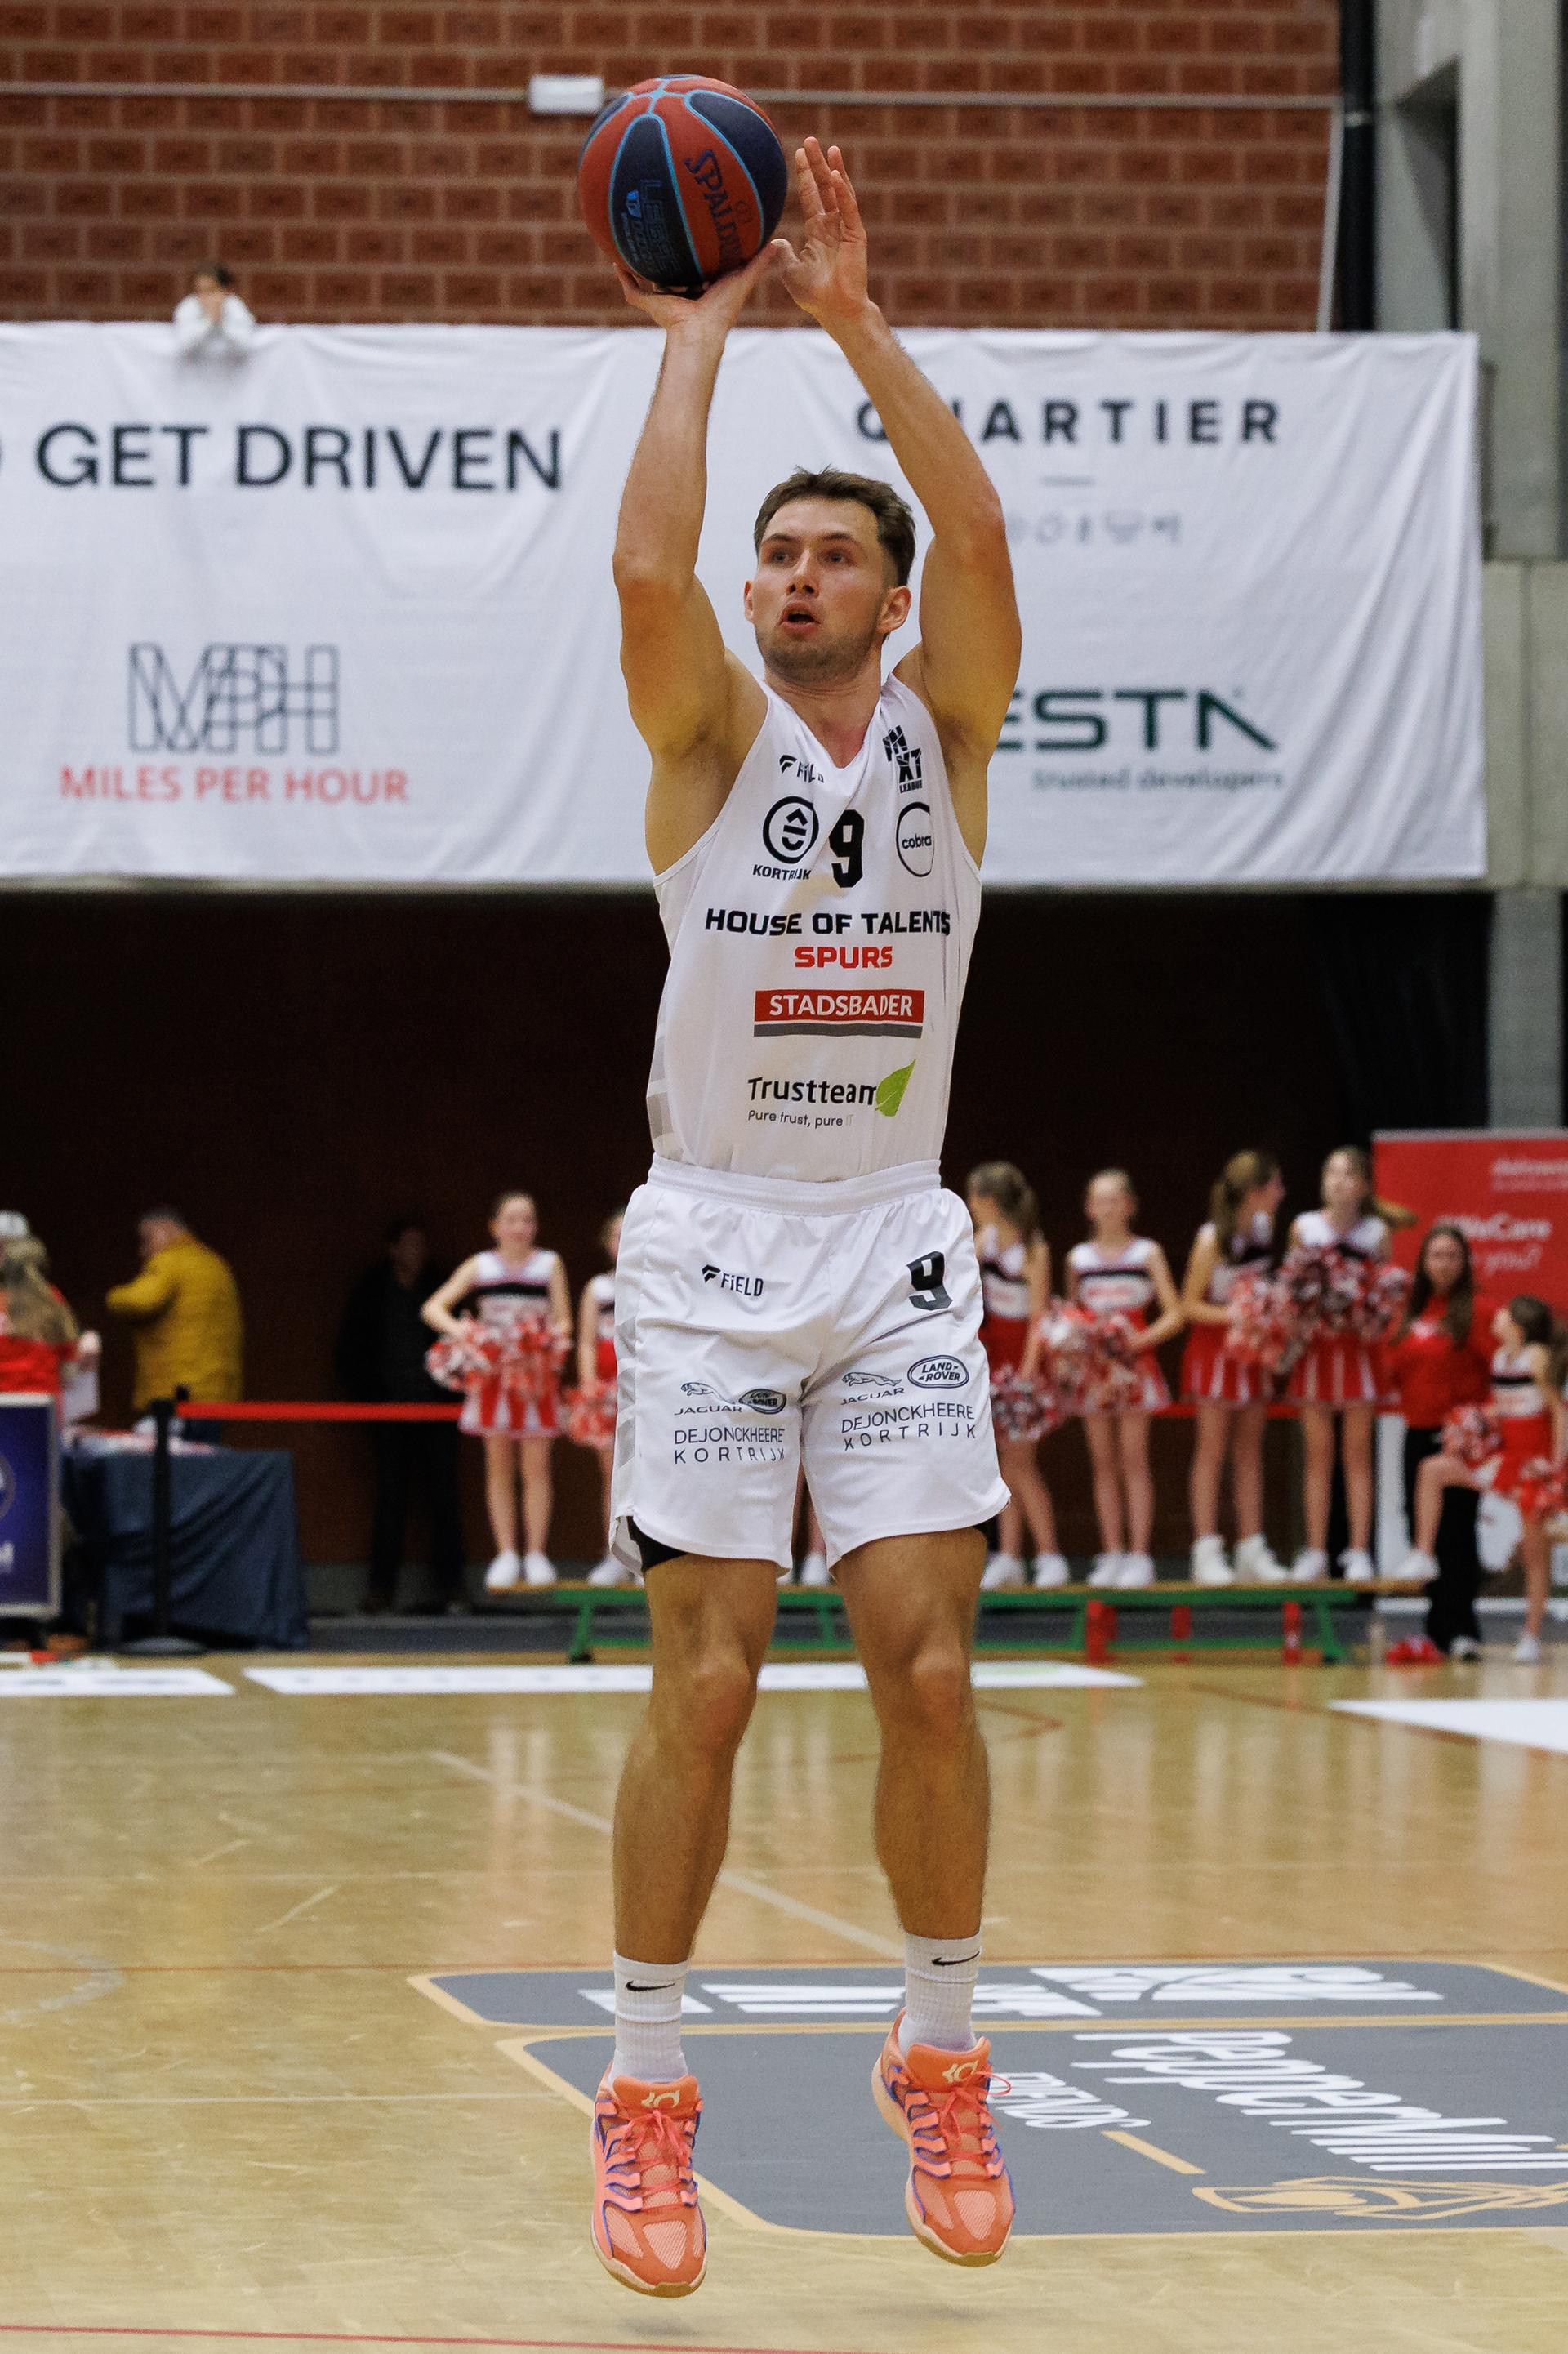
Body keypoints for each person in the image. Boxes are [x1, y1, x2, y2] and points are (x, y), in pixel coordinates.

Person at [591, 138, 1020, 2295]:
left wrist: (849, 320)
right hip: (714, 1246)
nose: (790, 578)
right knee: (719, 1673)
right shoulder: (704, 742)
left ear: (888, 592)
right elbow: (647, 578)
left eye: (832, 554)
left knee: (929, 1671)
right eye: (778, 557)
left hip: (896, 1241)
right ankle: (647, 2091)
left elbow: (991, 529)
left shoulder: (950, 734)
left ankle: (939, 2047)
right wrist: (699, 337)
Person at [1400, 1295, 1567, 1663]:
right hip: (1505, 1457)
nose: (1498, 1315)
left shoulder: (1535, 1357)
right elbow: (1505, 1403)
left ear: (1518, 1325)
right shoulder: (1499, 1359)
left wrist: (1555, 1468)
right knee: (1433, 1470)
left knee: (1534, 1554)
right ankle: (1424, 1553)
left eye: (1505, 1312)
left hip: (1533, 1464)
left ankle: (1532, 1635)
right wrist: (1473, 1421)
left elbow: (1558, 1412)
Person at [421, 1193, 570, 1593]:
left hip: (535, 1380)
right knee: (498, 1468)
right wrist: (468, 1334)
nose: (520, 1227)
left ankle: (536, 1554)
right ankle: (506, 1553)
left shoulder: (549, 1264)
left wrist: (541, 1346)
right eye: (512, 1219)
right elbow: (434, 1308)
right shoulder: (481, 1265)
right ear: (495, 1226)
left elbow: (564, 1321)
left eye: (528, 1220)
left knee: (537, 1469)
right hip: (492, 1381)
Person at [336, 1217, 466, 1615]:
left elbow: (463, 1346)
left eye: (421, 1244)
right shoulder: (373, 1290)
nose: (416, 1252)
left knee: (444, 1500)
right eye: (408, 1244)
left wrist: (453, 1396)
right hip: (389, 1411)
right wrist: (371, 1398)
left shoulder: (440, 1288)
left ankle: (454, 1590)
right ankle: (380, 1591)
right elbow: (351, 1350)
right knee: (389, 1503)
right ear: (393, 1249)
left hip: (437, 1411)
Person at [1281, 1146, 1396, 1584]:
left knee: (1357, 1455)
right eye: (1331, 1172)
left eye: (1348, 1174)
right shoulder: (1304, 1227)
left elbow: (1386, 1295)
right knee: (1317, 1454)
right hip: (1316, 1351)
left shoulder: (1375, 1232)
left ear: (1363, 1186)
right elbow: (1291, 1289)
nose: (1337, 1181)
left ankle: (1359, 1550)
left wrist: (1365, 1318)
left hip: (1357, 1353)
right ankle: (1315, 1550)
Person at [1067, 1169, 1184, 1589]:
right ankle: (1111, 1552)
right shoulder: (1078, 1259)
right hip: (1096, 1371)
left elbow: (1175, 1312)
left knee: (1134, 1460)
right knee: (1103, 1464)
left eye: (1116, 1199)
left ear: (1130, 1205)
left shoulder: (1147, 1253)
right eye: (1100, 1200)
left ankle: (1140, 1555)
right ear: (1089, 1208)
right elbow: (1071, 1316)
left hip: (1136, 1365)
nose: (1109, 1208)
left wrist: (1137, 1341)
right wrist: (1083, 1345)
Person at [1383, 1224, 1491, 1660]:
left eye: (1452, 1255)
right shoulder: (1409, 1315)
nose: (1443, 1263)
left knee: (1458, 1532)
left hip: (1460, 1439)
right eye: (1435, 1255)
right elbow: (1392, 1366)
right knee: (1420, 1530)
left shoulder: (1480, 1311)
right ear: (1423, 1264)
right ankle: (1437, 1625)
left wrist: (1481, 1424)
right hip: (1416, 1433)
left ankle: (1463, 1628)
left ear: (1464, 1262)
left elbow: (1498, 1371)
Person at [1180, 1150, 1287, 1586]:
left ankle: (1251, 1548)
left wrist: (1265, 1315)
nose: (1281, 1193)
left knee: (1250, 1452)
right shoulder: (1211, 1240)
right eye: (1276, 1185)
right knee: (1211, 1451)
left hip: (1252, 1352)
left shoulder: (1264, 1228)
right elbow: (1189, 1304)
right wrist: (1241, 1316)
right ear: (1256, 1192)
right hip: (1215, 1350)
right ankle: (1206, 1550)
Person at [969, 1161, 1070, 1592]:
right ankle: (1009, 1556)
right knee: (1001, 1468)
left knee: (1022, 1465)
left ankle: (1050, 1557)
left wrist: (1026, 1379)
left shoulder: (1034, 1250)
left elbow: (1037, 1319)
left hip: (1024, 1361)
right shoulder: (983, 1241)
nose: (969, 1206)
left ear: (989, 1202)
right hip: (991, 1357)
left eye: (973, 1199)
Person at [105, 1209, 243, 1436]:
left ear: (166, 1230)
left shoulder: (171, 1261)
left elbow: (141, 1301)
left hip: (177, 1392)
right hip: (217, 1392)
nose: (143, 1251)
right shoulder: (214, 1263)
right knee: (202, 1460)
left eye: (146, 1239)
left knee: (170, 1466)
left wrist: (112, 1297)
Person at [577, 1210, 632, 1588]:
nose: (622, 1240)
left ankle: (645, 1556)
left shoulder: (655, 1284)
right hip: (606, 1393)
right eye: (616, 1234)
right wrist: (589, 1385)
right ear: (606, 1243)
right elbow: (584, 1341)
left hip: (643, 1391)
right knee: (612, 1477)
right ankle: (614, 1556)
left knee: (647, 1474)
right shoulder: (597, 1288)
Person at [0, 1236, 85, 1394]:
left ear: (6, 1267)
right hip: (44, 1404)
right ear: (44, 1265)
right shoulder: (53, 1300)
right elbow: (70, 1370)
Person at [172, 262, 256, 360]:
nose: (205, 296)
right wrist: (210, 321)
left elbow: (244, 347)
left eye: (211, 290)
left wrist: (221, 322)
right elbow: (185, 347)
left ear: (225, 290)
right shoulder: (188, 306)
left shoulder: (234, 306)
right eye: (200, 290)